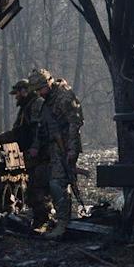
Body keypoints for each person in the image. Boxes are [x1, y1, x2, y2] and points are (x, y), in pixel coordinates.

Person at [28, 68, 84, 239]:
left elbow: (75, 124)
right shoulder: (47, 101)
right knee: (56, 183)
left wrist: (72, 150)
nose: (39, 93)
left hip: (66, 146)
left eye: (40, 89)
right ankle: (63, 221)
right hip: (54, 147)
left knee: (57, 183)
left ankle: (62, 223)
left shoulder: (64, 97)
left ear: (48, 84)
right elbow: (42, 127)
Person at [0, 79, 52, 227]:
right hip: (34, 155)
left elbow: (38, 130)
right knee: (35, 191)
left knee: (37, 191)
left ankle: (43, 222)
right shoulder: (27, 107)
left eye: (17, 93)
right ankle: (42, 221)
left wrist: (35, 148)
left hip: (40, 156)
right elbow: (19, 133)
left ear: (25, 91)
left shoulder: (35, 105)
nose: (16, 97)